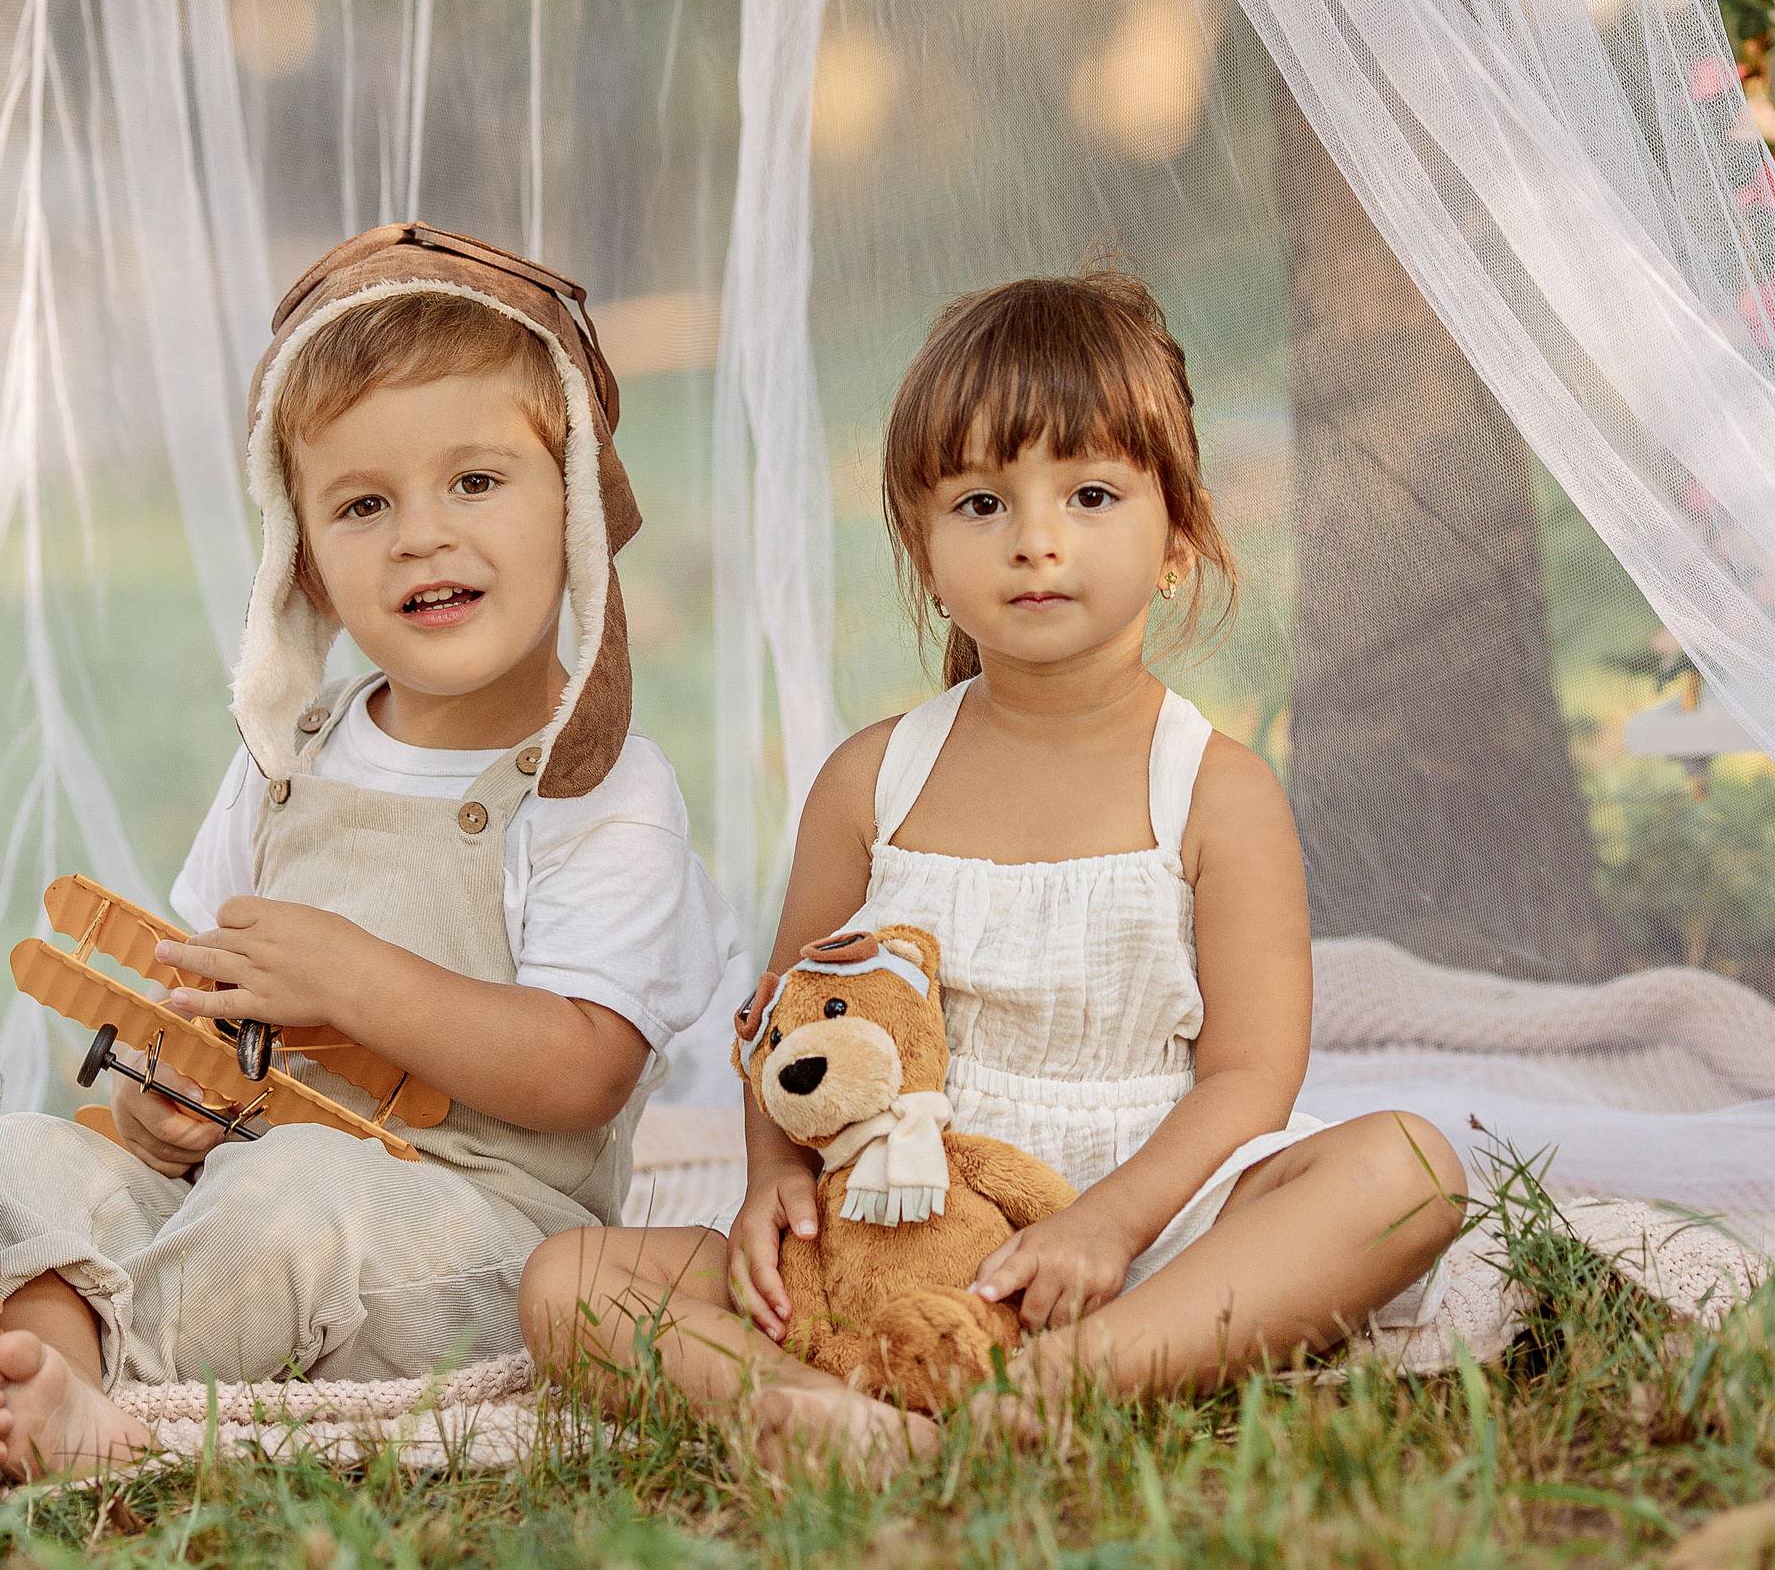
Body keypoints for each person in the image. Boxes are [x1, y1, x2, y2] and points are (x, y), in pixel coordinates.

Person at [520, 272, 1465, 1478]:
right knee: (567, 1278)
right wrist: (771, 1186)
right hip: (889, 1227)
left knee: (1411, 1168)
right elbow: (787, 1022)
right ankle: (814, 1415)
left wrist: (1106, 1223)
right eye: (979, 500)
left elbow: (1249, 1075)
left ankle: (1063, 1378)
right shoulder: (872, 781)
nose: (1035, 538)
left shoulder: (1213, 789)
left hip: (1144, 1232)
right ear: (921, 548)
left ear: (1177, 535)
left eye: (1088, 492)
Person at [0, 225, 744, 1475]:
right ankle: (52, 1364)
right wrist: (156, 1106)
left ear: (578, 515)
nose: (421, 537)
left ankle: (127, 1400)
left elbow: (583, 1071)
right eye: (364, 504)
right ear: (309, 560)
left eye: (476, 483)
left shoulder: (598, 788)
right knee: (22, 1152)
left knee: (295, 1204)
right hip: (243, 1172)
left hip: (468, 1223)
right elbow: (191, 997)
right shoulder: (292, 756)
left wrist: (353, 980)